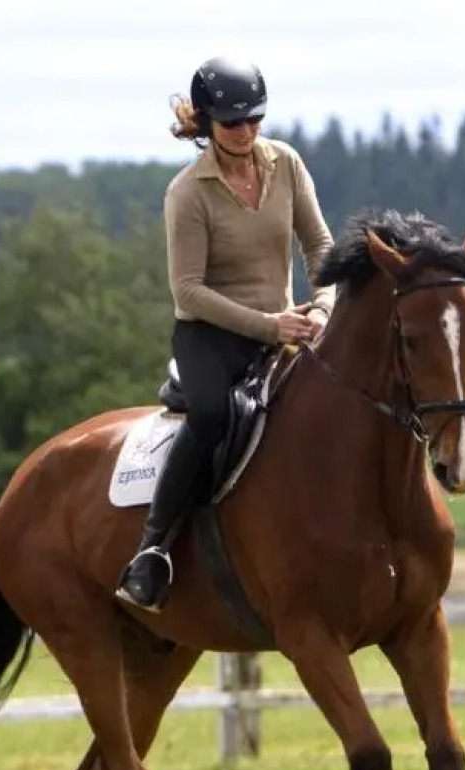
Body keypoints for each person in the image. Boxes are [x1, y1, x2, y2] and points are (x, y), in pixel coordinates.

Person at [115, 56, 339, 614]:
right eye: (232, 122)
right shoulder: (187, 193)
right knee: (214, 418)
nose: (245, 131)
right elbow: (188, 291)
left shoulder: (285, 162)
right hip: (211, 336)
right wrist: (270, 325)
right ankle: (152, 551)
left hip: (289, 325)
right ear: (208, 123)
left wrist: (327, 305)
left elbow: (321, 248)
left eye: (254, 119)